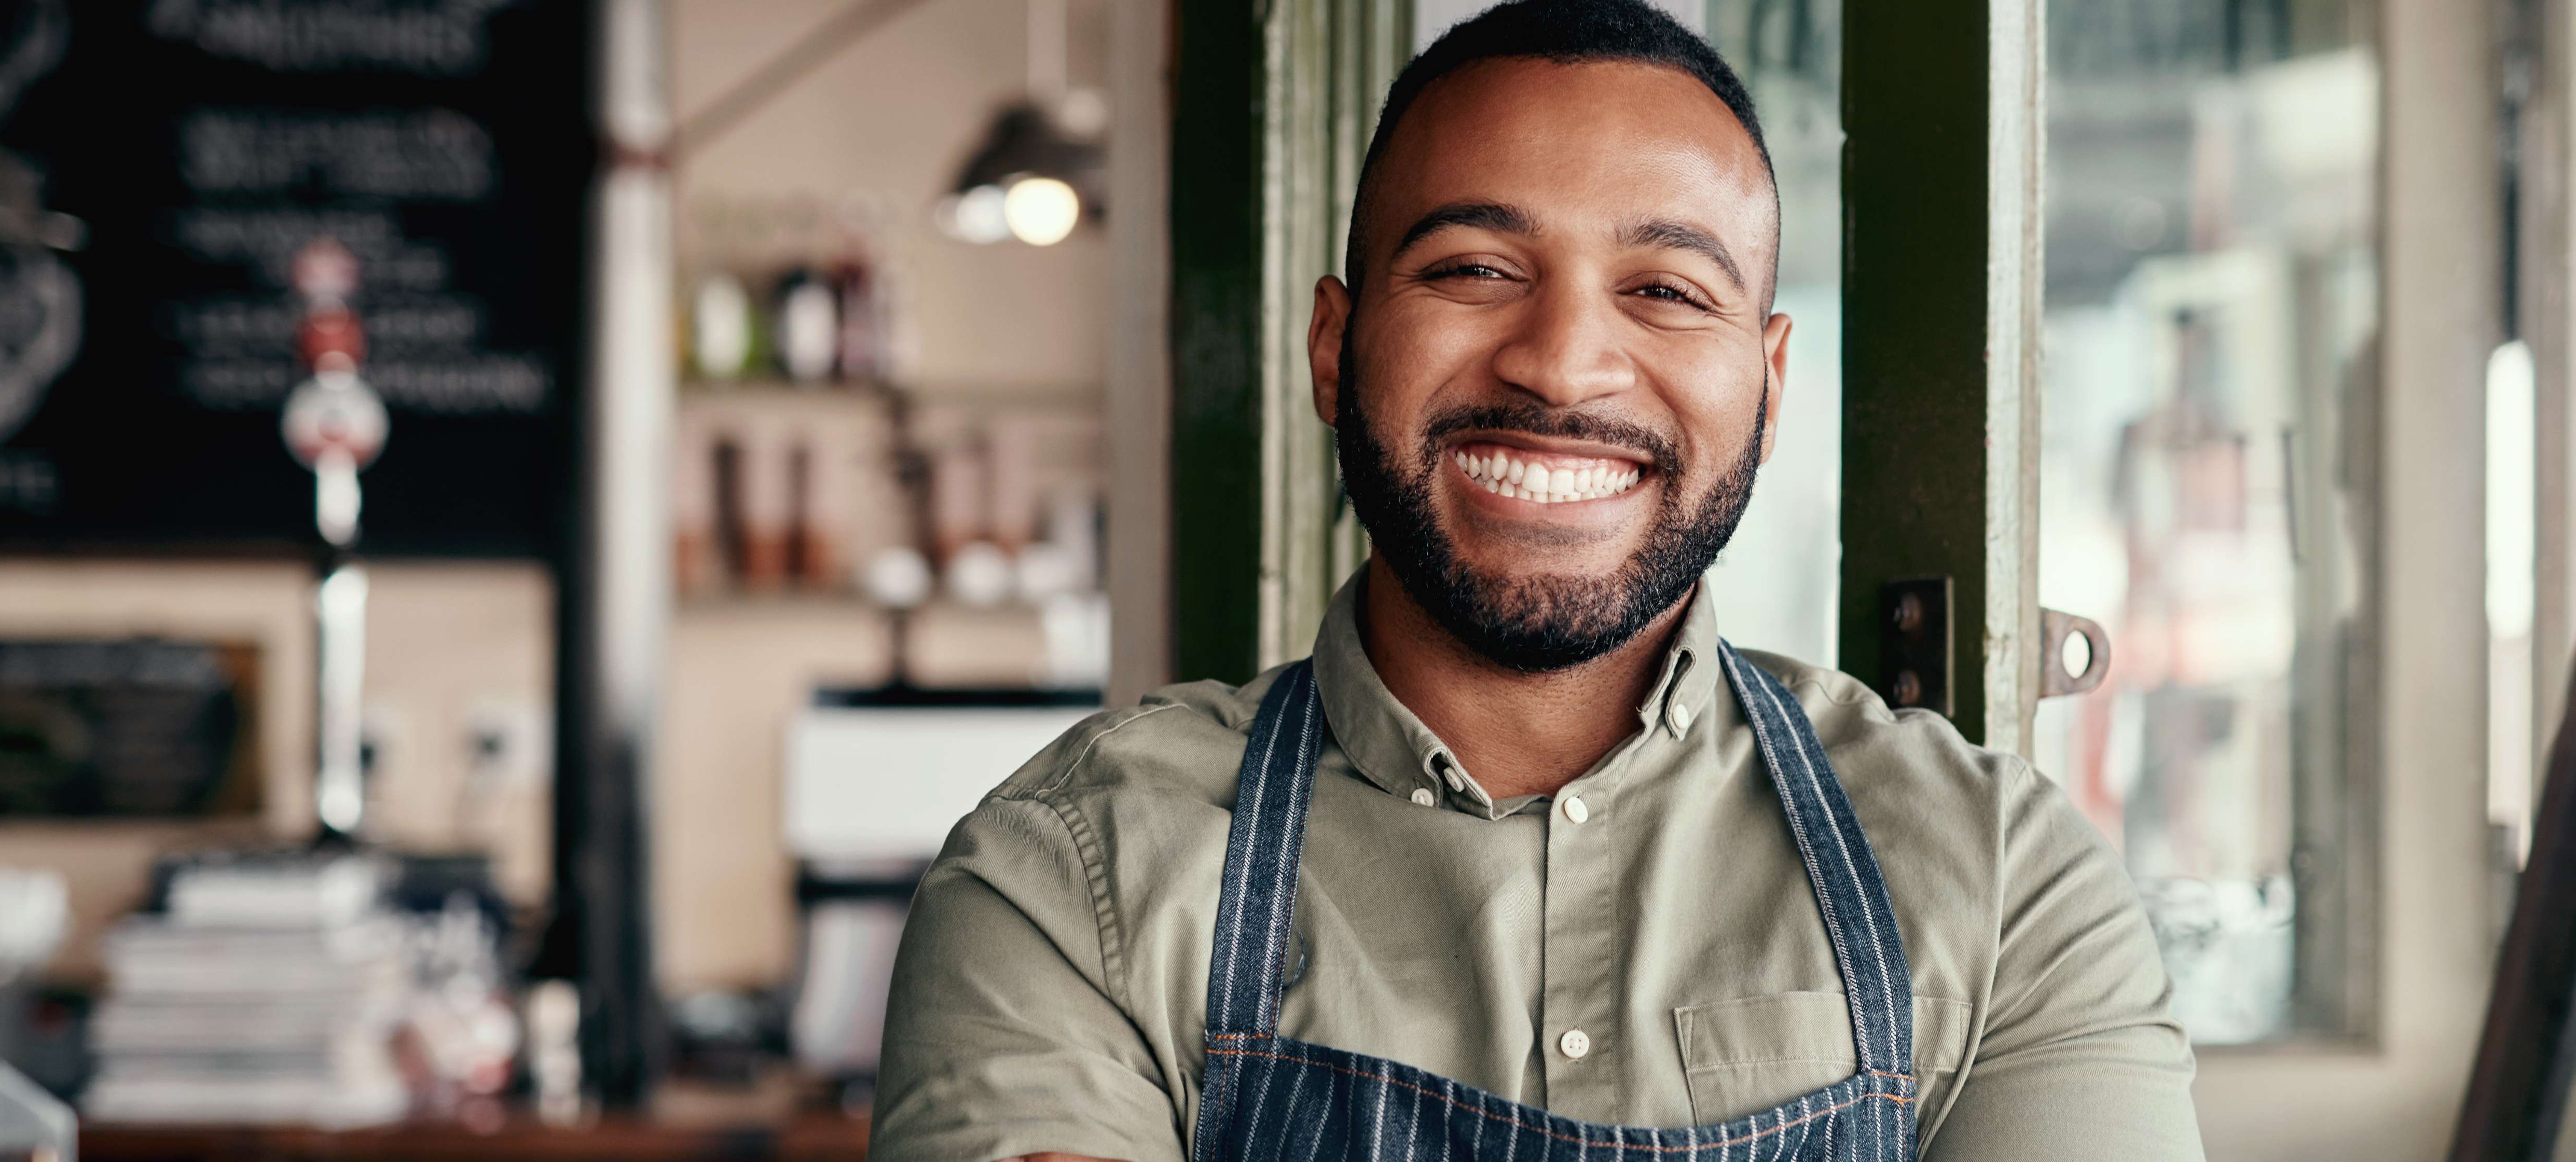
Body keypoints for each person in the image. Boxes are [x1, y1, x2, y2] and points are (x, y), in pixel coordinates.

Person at [871, 2, 2205, 1158]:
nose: (1564, 365)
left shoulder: (2003, 882)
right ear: (1335, 347)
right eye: (1475, 269)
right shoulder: (1066, 882)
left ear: (1771, 380)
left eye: (1669, 289)